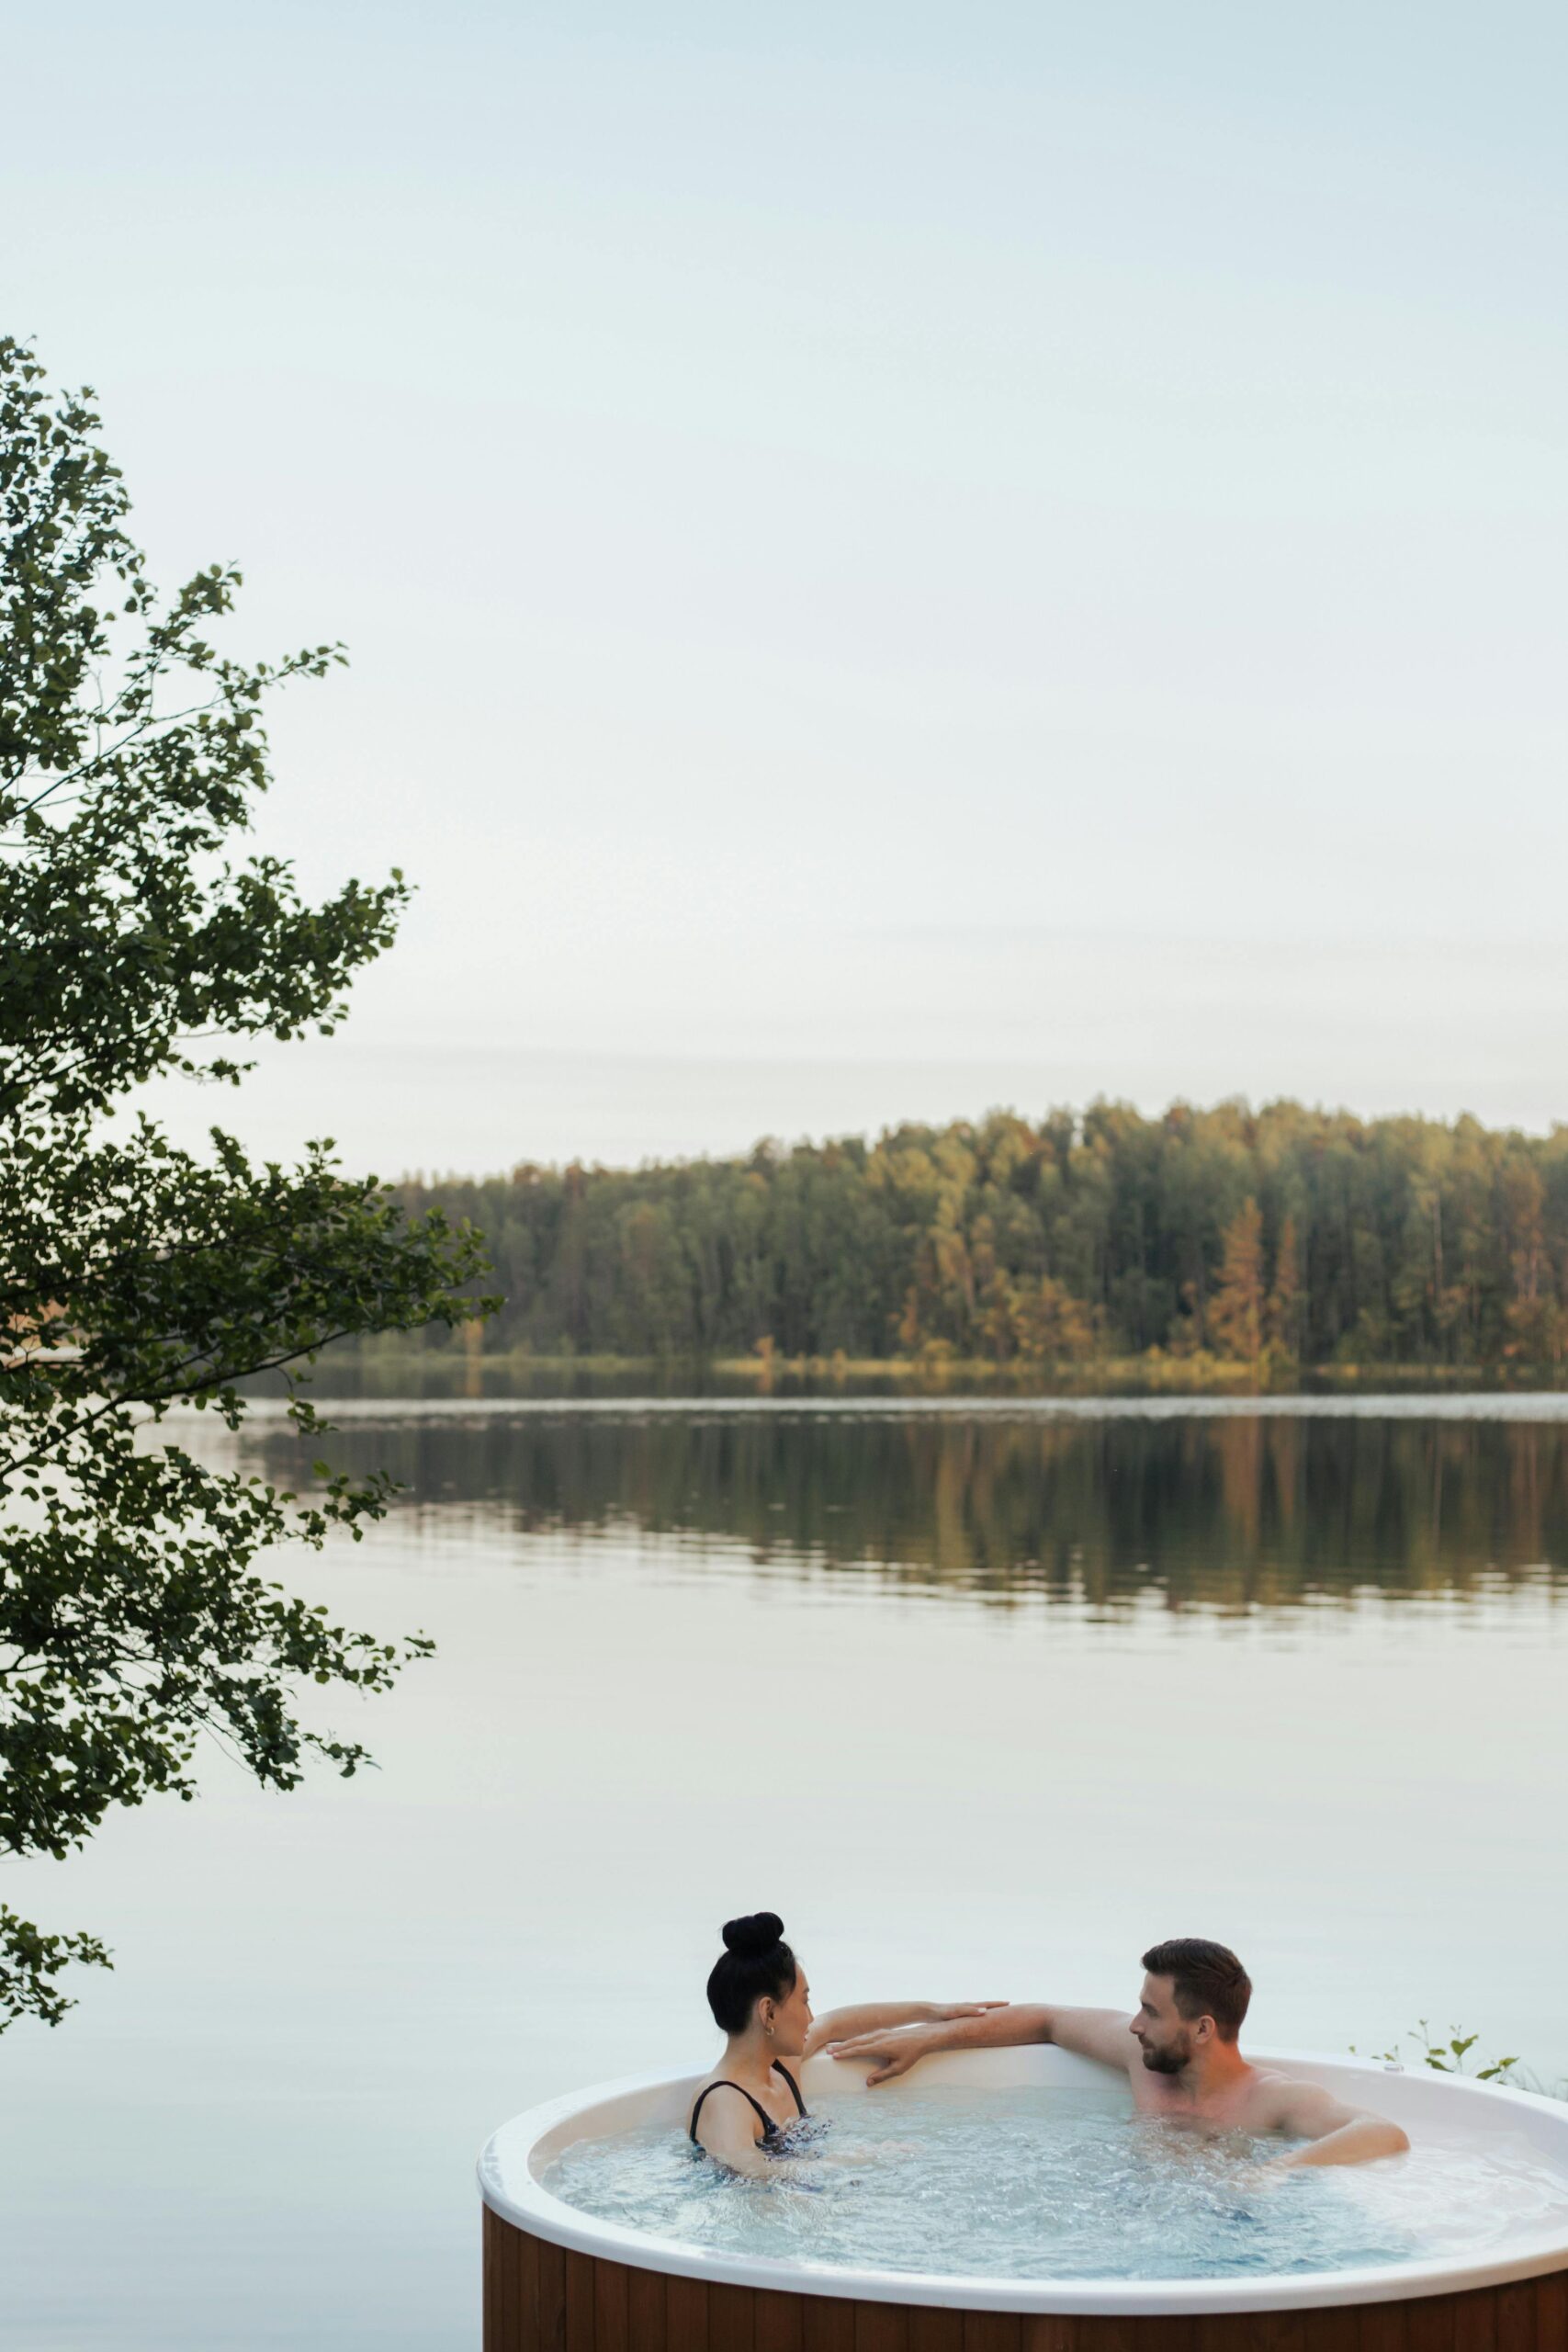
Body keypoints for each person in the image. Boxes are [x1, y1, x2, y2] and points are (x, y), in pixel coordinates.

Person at [827, 1936, 1410, 2171]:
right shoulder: (1146, 2066)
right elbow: (1048, 2019)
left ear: (1203, 2028)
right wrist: (932, 2037)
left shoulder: (1273, 2099)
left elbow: (1384, 2132)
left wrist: (1273, 2174)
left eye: (1152, 2013)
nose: (1133, 2026)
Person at [687, 1912, 1005, 2176]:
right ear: (769, 2012)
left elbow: (838, 2023)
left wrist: (932, 2012)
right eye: (804, 2001)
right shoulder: (726, 2103)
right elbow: (756, 2178)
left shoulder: (780, 2070)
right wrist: (867, 2156)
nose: (811, 2017)